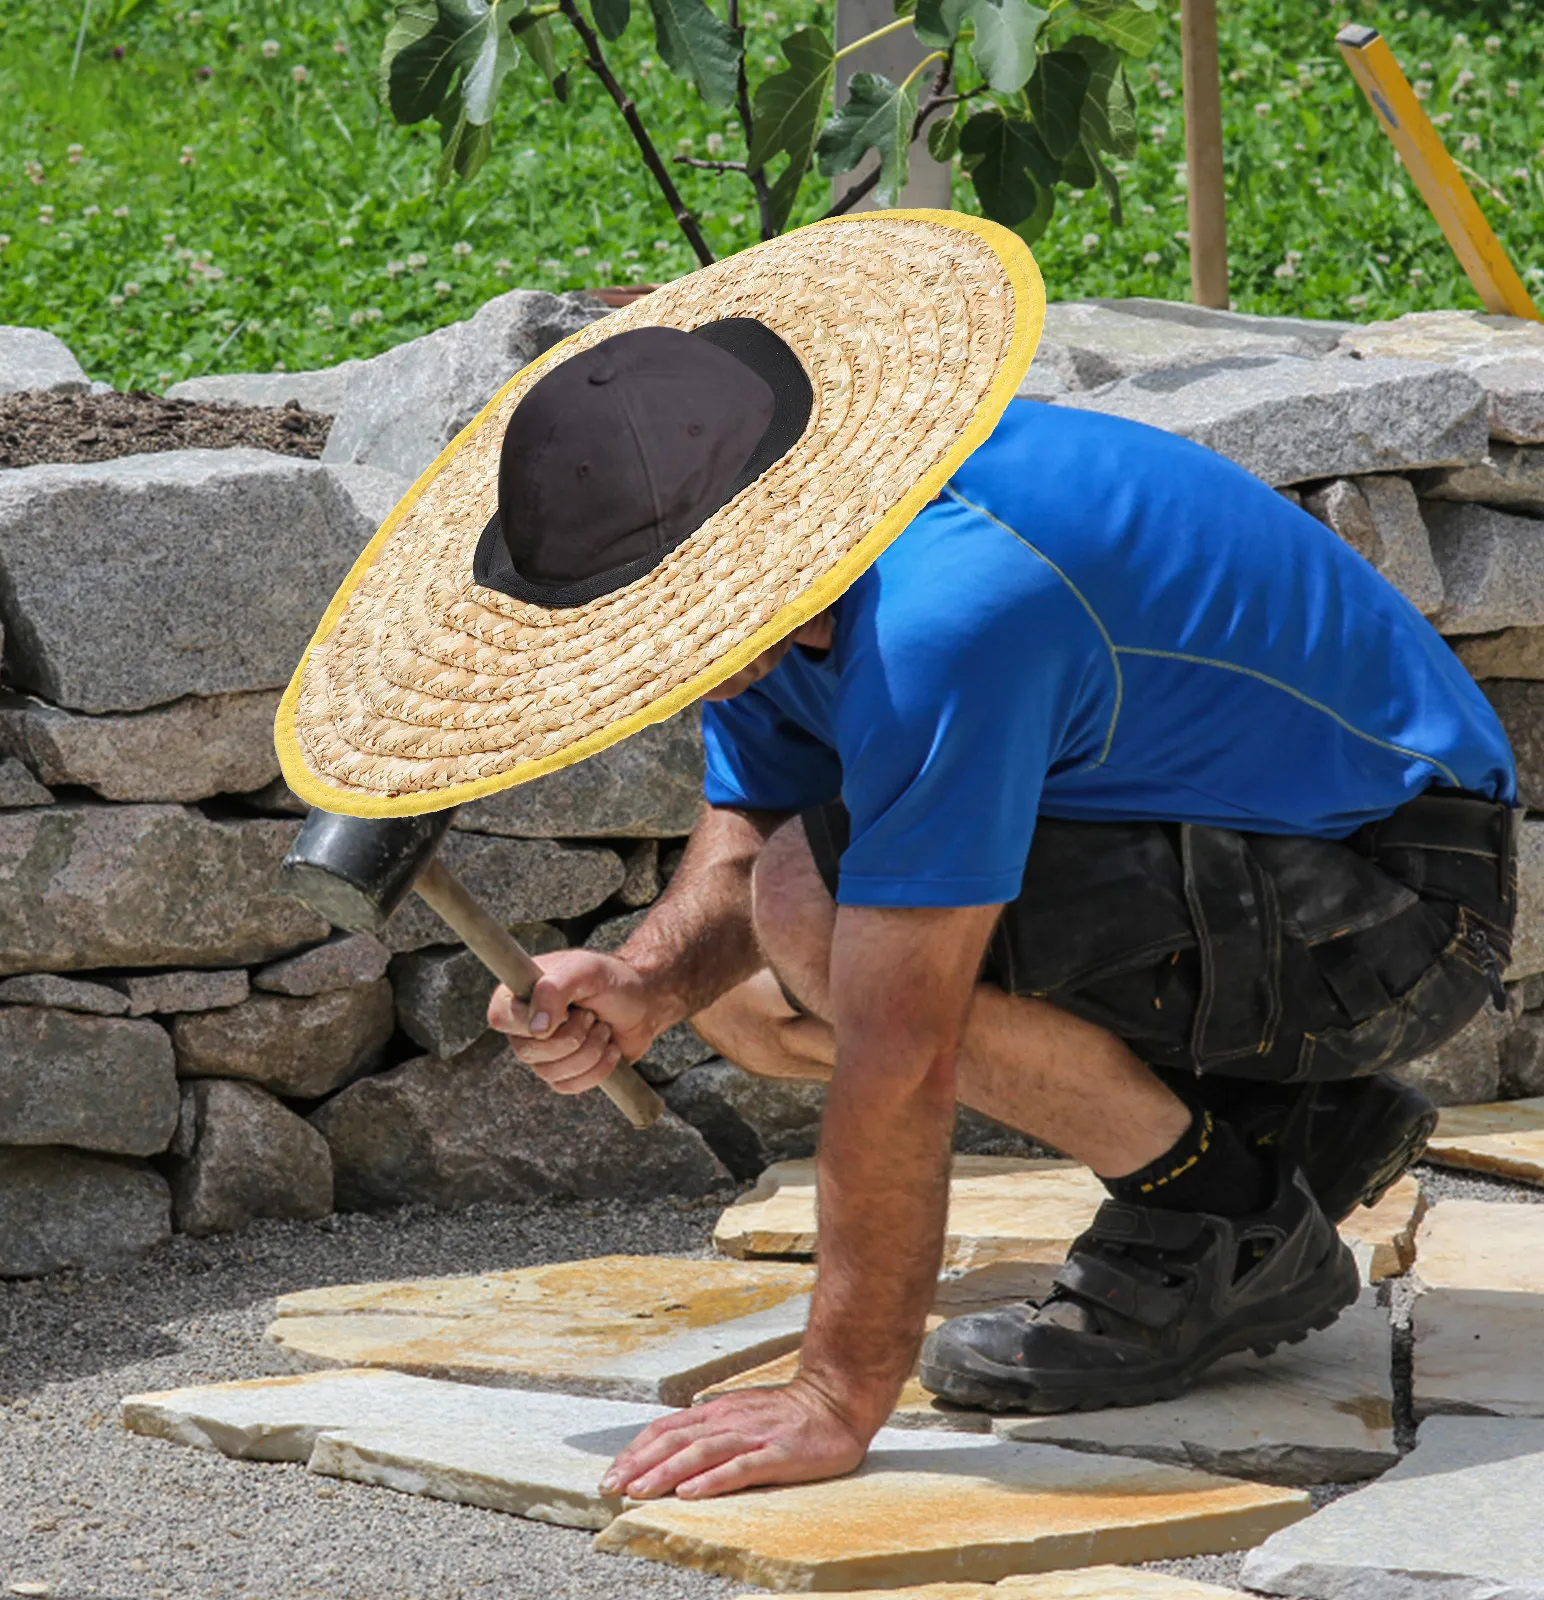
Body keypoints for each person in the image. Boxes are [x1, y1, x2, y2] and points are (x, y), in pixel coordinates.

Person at [278, 211, 1517, 1509]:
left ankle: (1227, 1217)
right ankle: (1280, 1128)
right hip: (1270, 861)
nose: (660, 652)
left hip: (1403, 905)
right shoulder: (780, 557)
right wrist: (646, 983)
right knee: (754, 987)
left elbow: (901, 1041)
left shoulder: (950, 617)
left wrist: (837, 1391)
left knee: (819, 924)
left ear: (743, 548)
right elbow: (756, 825)